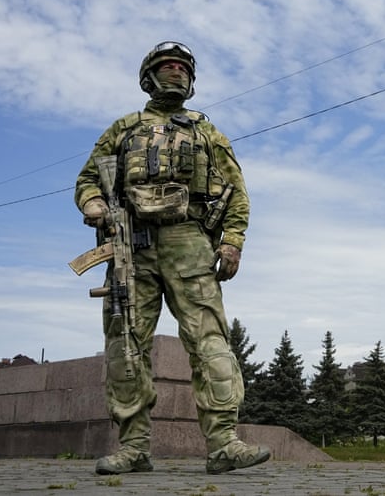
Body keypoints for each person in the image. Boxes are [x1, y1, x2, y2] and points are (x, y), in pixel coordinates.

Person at [74, 41, 270, 475]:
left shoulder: (206, 130)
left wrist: (232, 240)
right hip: (132, 246)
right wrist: (93, 204)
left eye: (183, 66)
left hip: (190, 242)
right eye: (168, 65)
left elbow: (236, 190)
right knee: (125, 345)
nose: (176, 72)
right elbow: (88, 177)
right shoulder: (123, 129)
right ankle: (134, 447)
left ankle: (224, 444)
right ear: (150, 76)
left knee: (210, 342)